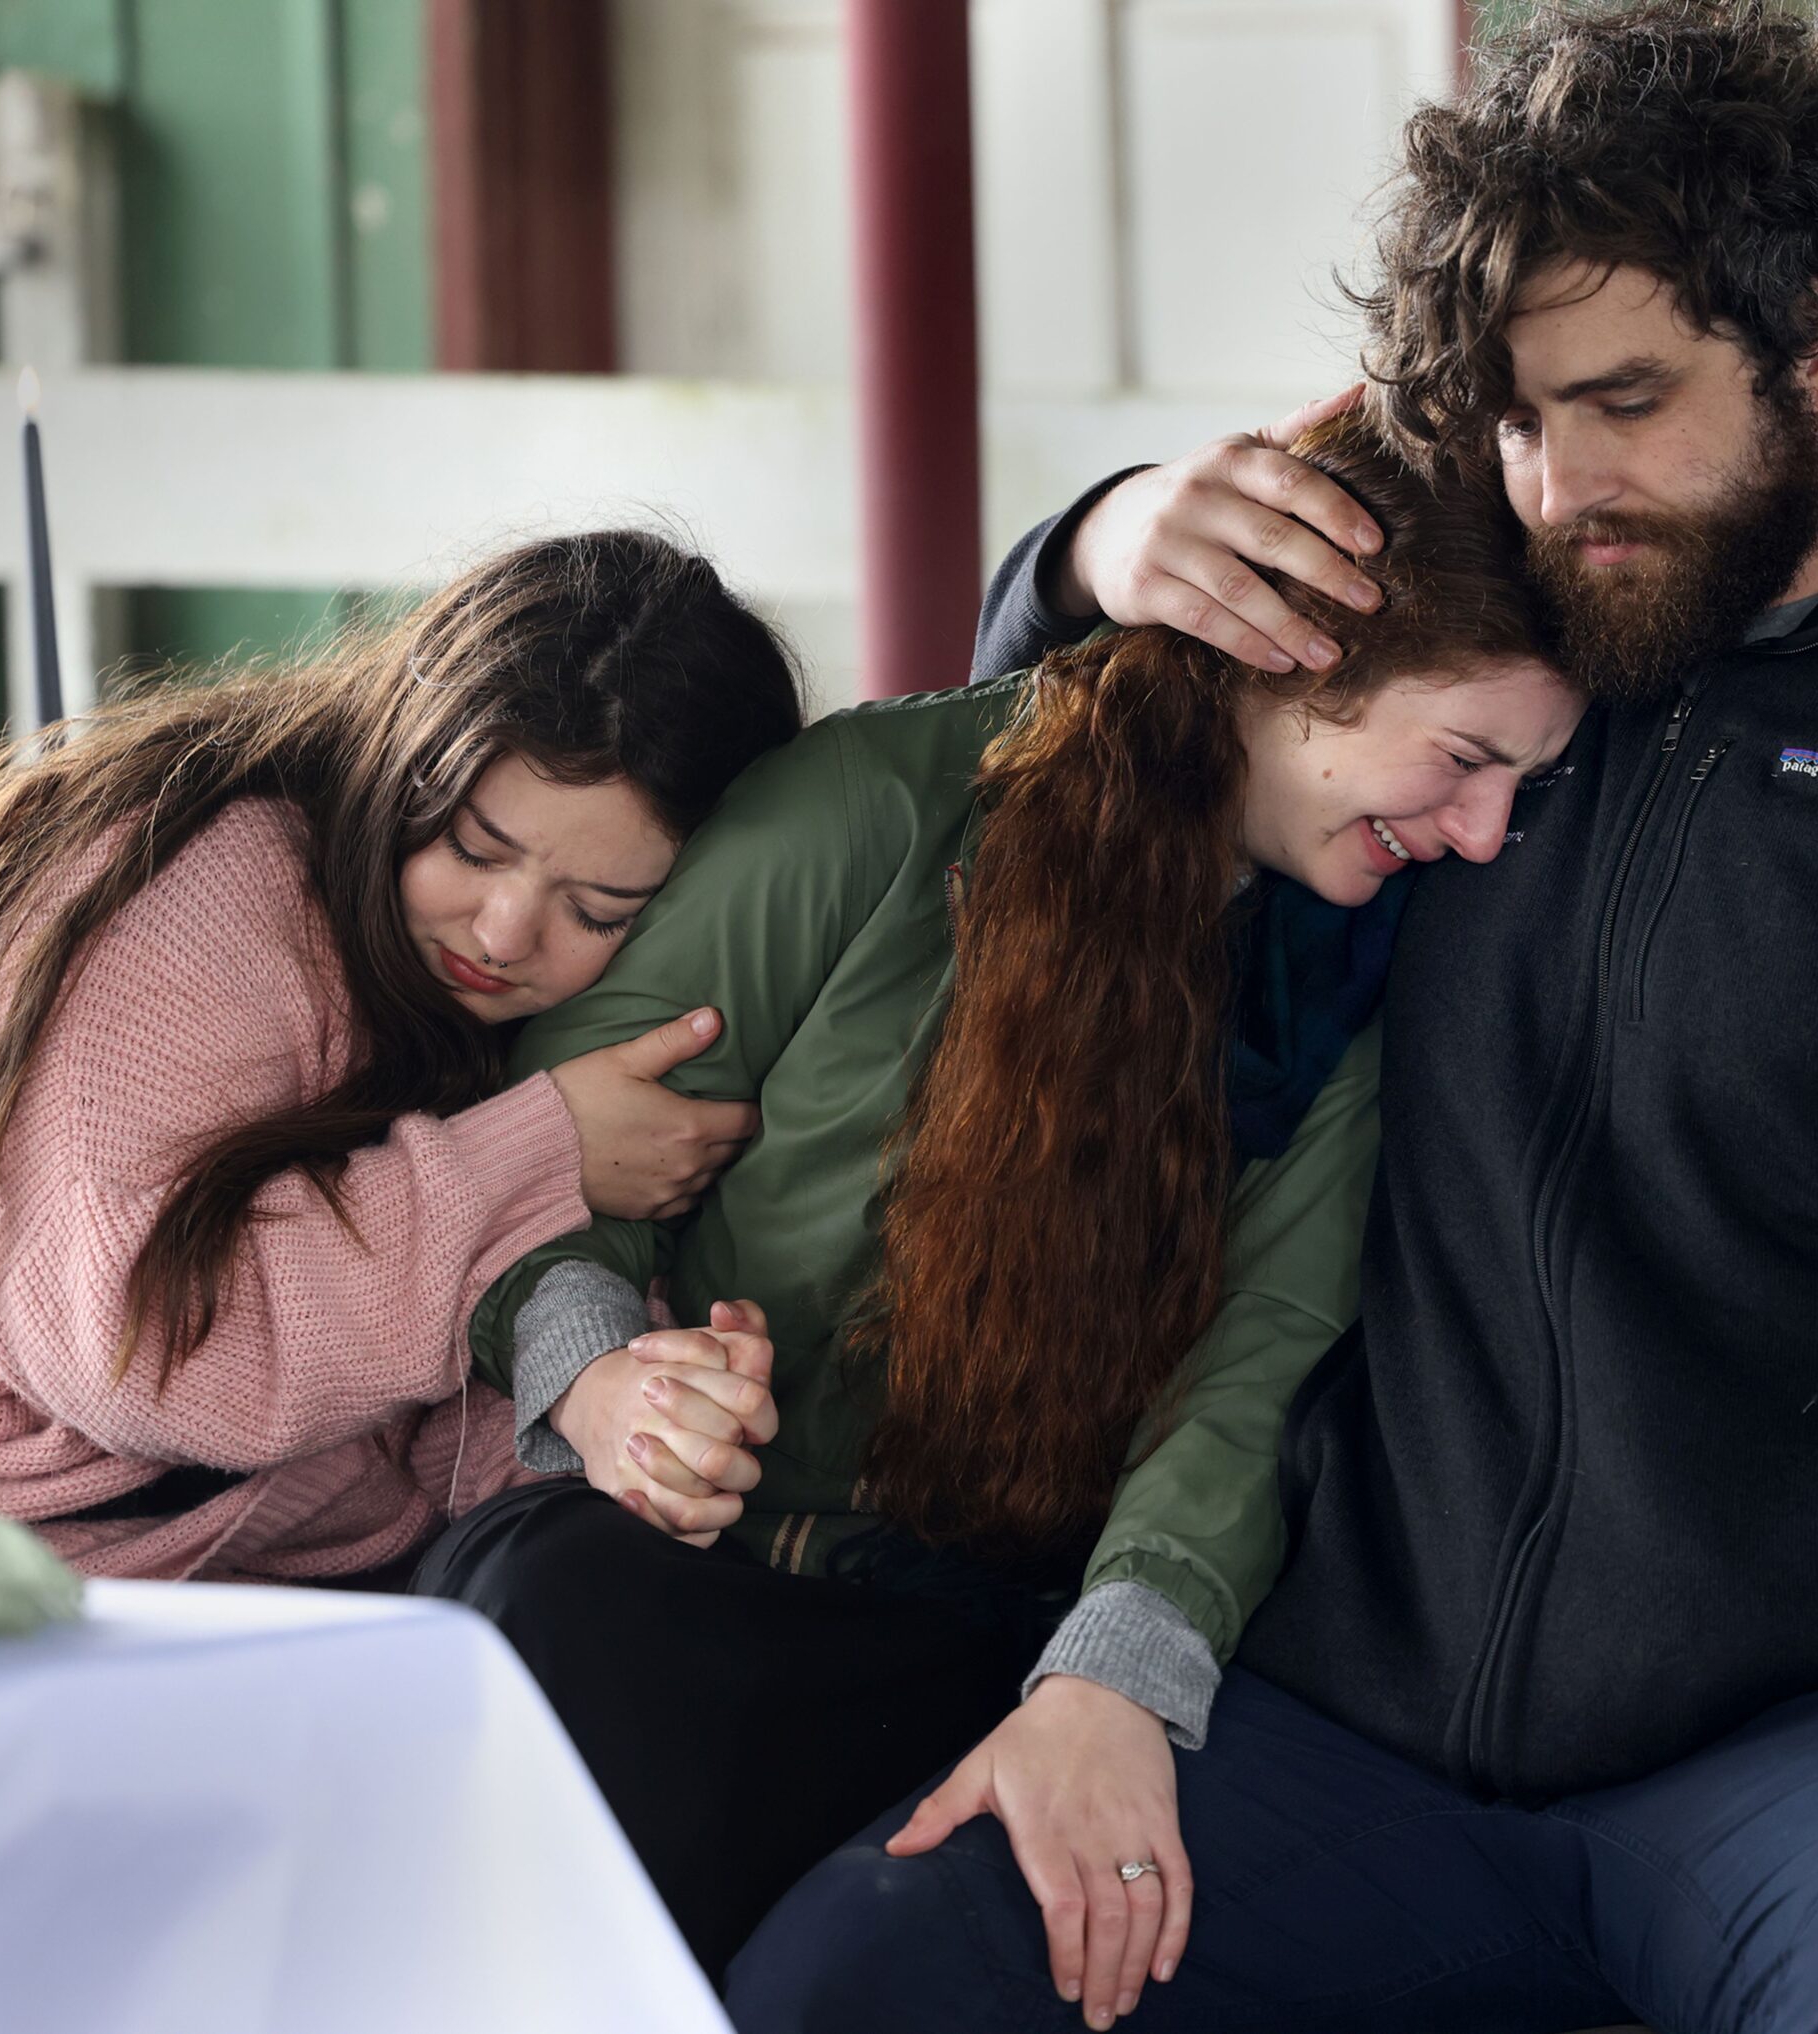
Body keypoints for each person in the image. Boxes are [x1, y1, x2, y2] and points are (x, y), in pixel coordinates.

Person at [728, 7, 1818, 2031]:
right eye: (1512, 420)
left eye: (1623, 400)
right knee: (864, 1980)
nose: (1556, 484)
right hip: (1355, 1724)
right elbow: (1088, 780)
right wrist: (1088, 552)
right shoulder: (1486, 615)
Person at [412, 411, 1580, 1975]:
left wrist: (1113, 1683)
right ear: (1298, 658)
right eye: (1466, 758)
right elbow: (556, 1149)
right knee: (539, 1599)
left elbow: (1254, 1378)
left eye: (1524, 784)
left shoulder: (1345, 994)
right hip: (717, 1573)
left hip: (996, 1634)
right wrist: (608, 1381)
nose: (1485, 833)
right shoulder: (882, 805)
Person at [0, 531, 803, 1585]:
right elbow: (134, 1354)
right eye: (473, 848)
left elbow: (399, 1438)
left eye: (598, 909)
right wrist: (546, 1155)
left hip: (154, 1578)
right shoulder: (211, 890)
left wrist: (639, 1415)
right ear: (410, 757)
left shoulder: (550, 1025)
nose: (503, 933)